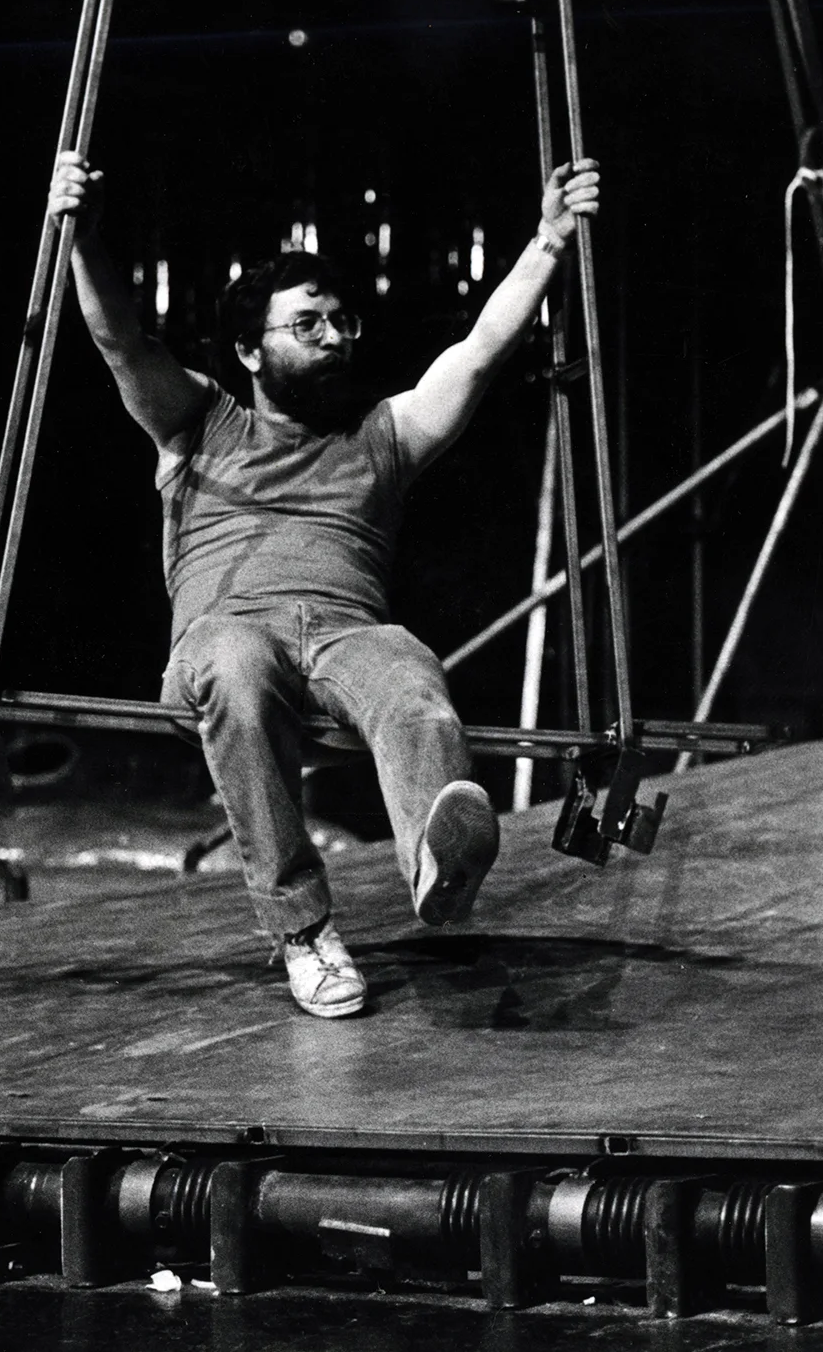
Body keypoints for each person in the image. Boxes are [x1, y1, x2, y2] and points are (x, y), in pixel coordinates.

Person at [48, 149, 602, 1017]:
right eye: (306, 324)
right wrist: (81, 238)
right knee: (233, 660)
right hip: (231, 636)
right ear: (248, 350)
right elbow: (120, 340)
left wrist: (549, 242)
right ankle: (303, 932)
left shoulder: (384, 434)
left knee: (410, 674)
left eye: (343, 322)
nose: (335, 336)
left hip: (347, 638)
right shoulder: (199, 422)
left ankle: (437, 866)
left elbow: (478, 353)